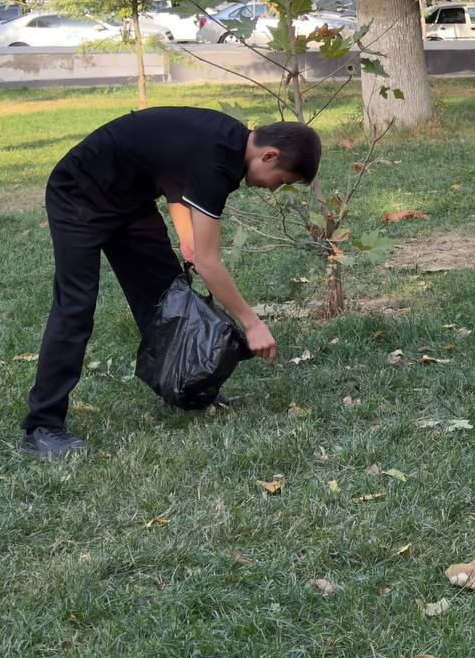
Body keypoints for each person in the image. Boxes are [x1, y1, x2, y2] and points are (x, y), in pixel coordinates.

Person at [21, 107, 320, 457]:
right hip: (78, 194)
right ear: (269, 155)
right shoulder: (218, 161)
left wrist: (186, 236)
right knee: (75, 306)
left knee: (167, 296)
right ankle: (42, 426)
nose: (273, 189)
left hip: (128, 201)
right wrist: (252, 323)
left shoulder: (229, 139)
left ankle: (188, 390)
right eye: (281, 180)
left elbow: (174, 173)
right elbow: (209, 263)